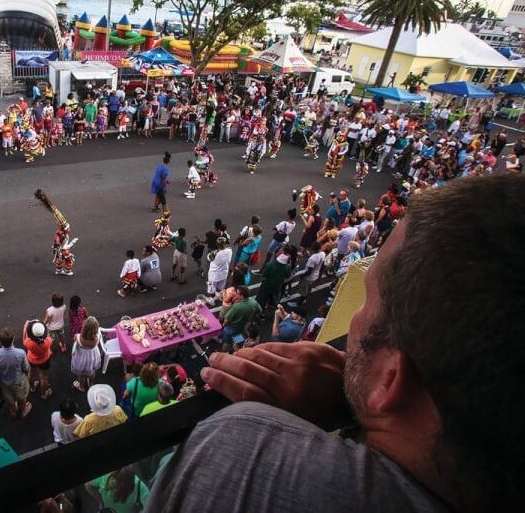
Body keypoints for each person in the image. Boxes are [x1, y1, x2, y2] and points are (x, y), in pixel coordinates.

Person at [149, 174, 525, 513]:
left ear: (390, 379)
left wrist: (341, 404)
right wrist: (357, 404)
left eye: (366, 300)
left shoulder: (241, 448)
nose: (355, 320)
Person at [0, 328, 32, 419]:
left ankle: (13, 411)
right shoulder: (20, 353)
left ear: (0, 341)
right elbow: (26, 367)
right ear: (13, 339)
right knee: (22, 397)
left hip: (4, 382)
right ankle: (24, 411)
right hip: (18, 381)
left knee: (10, 399)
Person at [23, 320, 53, 400]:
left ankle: (32, 387)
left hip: (32, 360)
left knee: (31, 373)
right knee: (44, 377)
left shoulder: (29, 343)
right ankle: (43, 394)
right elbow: (48, 335)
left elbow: (24, 339)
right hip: (45, 360)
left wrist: (26, 327)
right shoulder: (47, 342)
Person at [71, 316, 101, 392]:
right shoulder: (97, 337)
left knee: (81, 375)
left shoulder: (77, 337)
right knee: (92, 372)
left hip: (81, 358)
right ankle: (90, 384)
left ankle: (81, 387)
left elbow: (74, 340)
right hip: (92, 357)